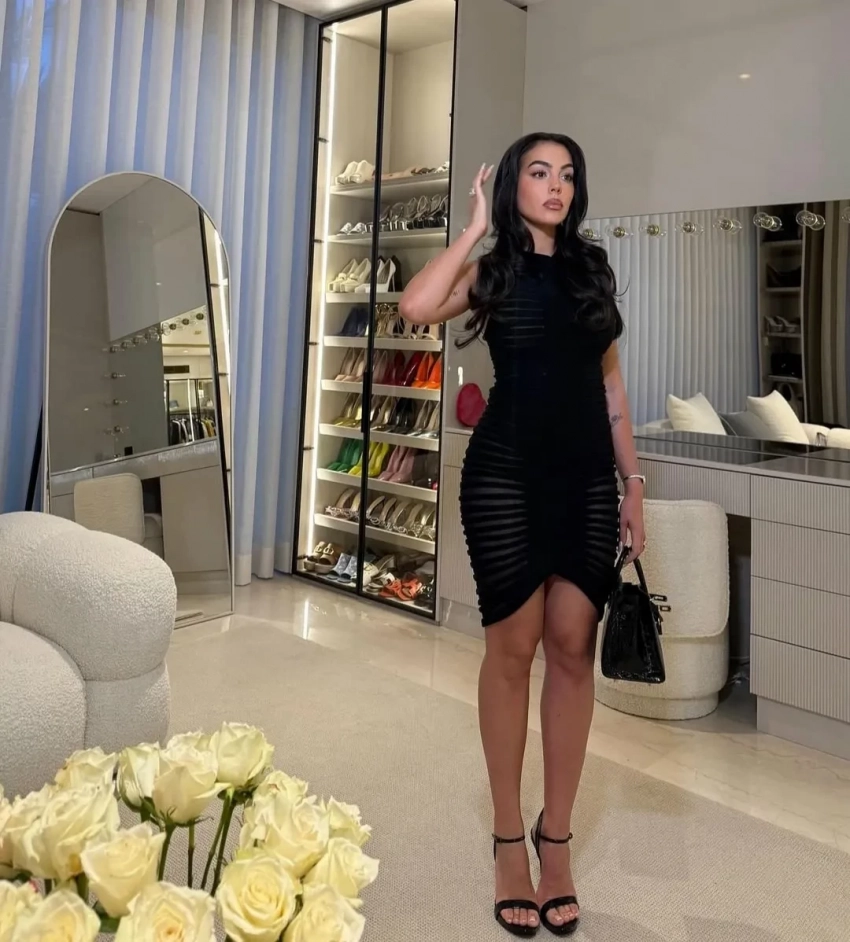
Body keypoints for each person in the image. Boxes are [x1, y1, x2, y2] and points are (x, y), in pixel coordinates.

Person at [399, 132, 646, 937]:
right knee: (513, 648)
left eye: (568, 174)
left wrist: (633, 485)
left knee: (573, 645)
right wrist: (474, 228)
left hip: (587, 481)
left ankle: (556, 837)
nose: (557, 186)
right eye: (540, 173)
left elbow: (611, 392)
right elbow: (416, 307)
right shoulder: (493, 271)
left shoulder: (591, 271)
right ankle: (509, 837)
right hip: (505, 476)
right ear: (514, 185)